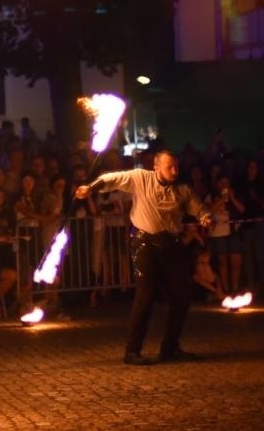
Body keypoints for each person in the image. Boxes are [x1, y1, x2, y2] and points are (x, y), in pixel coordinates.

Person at [75, 149, 213, 365]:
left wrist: (206, 217)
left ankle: (170, 348)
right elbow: (111, 179)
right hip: (145, 245)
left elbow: (198, 206)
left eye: (176, 166)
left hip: (171, 246)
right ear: (156, 167)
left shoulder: (182, 189)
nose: (175, 171)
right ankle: (132, 351)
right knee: (145, 296)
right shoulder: (140, 179)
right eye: (170, 167)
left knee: (182, 297)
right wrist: (90, 188)